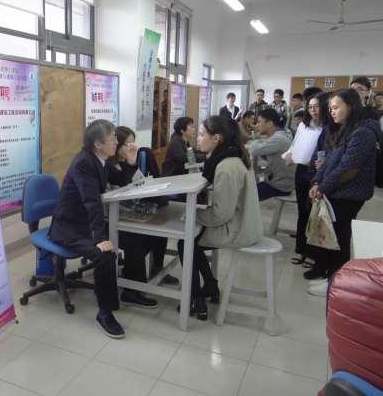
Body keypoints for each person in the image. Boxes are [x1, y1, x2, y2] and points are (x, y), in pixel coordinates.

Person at [49, 119, 138, 339]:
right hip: (69, 226)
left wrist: (130, 162)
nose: (117, 142)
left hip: (85, 222)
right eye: (113, 138)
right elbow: (92, 202)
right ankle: (104, 313)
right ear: (98, 144)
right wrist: (99, 238)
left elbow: (120, 179)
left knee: (131, 236)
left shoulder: (101, 160)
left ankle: (133, 291)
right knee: (105, 255)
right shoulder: (83, 163)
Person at [177, 116, 263, 320]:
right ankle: (210, 286)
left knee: (186, 242)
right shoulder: (235, 155)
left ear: (216, 138)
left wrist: (195, 213)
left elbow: (220, 214)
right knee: (192, 239)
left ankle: (196, 299)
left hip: (238, 229)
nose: (198, 139)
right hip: (245, 223)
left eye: (201, 135)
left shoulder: (225, 166)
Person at [307, 88, 382, 296]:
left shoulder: (363, 133)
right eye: (330, 108)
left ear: (352, 107)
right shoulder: (346, 129)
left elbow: (347, 170)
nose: (332, 112)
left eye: (336, 107)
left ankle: (337, 285)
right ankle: (331, 278)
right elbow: (330, 160)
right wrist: (317, 181)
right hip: (334, 193)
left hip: (347, 196)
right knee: (331, 239)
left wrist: (322, 188)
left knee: (339, 240)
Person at [106, 126, 179, 286]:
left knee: (160, 231)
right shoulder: (109, 167)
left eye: (133, 143)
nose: (131, 147)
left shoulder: (130, 163)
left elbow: (143, 183)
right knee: (138, 239)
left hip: (130, 213)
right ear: (116, 144)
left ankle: (156, 268)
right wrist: (134, 211)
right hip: (114, 217)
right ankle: (133, 282)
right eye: (127, 144)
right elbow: (108, 204)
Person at [283, 92, 330, 269]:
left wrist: (318, 160)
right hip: (302, 170)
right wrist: (289, 153)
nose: (312, 110)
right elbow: (294, 143)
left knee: (315, 212)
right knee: (302, 211)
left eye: (316, 106)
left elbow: (327, 149)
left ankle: (312, 252)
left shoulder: (328, 127)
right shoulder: (304, 125)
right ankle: (300, 249)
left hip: (318, 171)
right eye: (309, 106)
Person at [249, 108, 296, 201]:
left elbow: (253, 150)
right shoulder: (279, 136)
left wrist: (256, 137)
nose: (257, 125)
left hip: (279, 186)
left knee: (244, 196)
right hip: (276, 181)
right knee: (246, 191)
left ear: (269, 124)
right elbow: (264, 154)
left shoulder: (279, 138)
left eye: (259, 122)